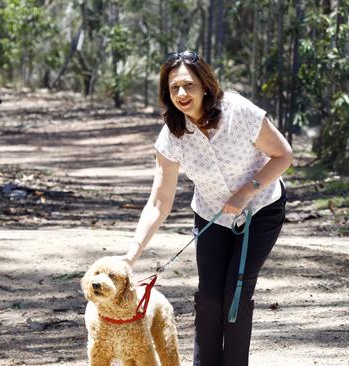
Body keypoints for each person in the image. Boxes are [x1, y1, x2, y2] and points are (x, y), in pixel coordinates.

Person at [121, 50, 293, 366]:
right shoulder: (172, 135)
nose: (182, 94)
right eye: (174, 88)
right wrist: (132, 254)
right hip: (211, 215)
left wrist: (245, 193)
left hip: (260, 210)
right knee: (210, 299)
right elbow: (159, 200)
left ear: (205, 85)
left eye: (188, 85)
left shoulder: (238, 112)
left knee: (235, 297)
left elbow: (284, 155)